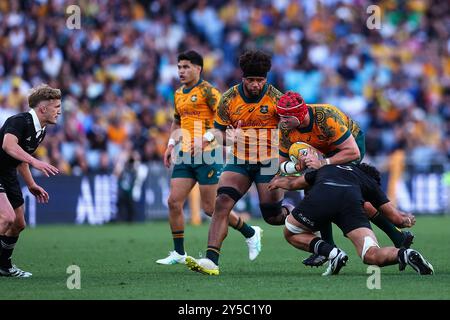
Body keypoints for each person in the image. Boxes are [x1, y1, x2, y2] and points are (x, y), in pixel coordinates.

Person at [186, 50, 292, 276]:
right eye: (250, 80)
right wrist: (216, 139)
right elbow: (219, 131)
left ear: (266, 79)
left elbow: (288, 130)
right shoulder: (229, 98)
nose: (255, 85)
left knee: (272, 217)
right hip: (240, 160)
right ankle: (211, 260)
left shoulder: (276, 98)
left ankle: (297, 213)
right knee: (221, 203)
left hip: (268, 160)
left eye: (260, 80)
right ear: (242, 78)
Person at [276, 91, 412, 267]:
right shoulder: (286, 129)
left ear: (301, 115)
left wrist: (323, 162)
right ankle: (397, 236)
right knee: (321, 190)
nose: (282, 121)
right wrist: (297, 167)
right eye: (281, 116)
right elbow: (281, 164)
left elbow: (353, 151)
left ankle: (329, 248)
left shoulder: (325, 116)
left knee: (333, 191)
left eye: (287, 117)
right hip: (324, 153)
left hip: (350, 146)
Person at [157, 50, 260, 265]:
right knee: (173, 201)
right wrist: (170, 144)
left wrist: (205, 139)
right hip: (185, 154)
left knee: (211, 209)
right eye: (179, 67)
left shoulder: (210, 92)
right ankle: (179, 252)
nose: (181, 71)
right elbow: (177, 122)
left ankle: (250, 232)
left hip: (208, 153)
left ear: (198, 68)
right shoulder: (178, 94)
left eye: (186, 67)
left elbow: (223, 120)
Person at [268, 163, 433, 276]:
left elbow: (296, 183)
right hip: (350, 204)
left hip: (322, 197)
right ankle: (405, 254)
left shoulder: (328, 167)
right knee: (370, 254)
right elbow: (397, 219)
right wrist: (407, 220)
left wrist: (277, 182)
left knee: (291, 230)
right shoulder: (369, 183)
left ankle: (332, 252)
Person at [0, 84, 60, 277]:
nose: (59, 111)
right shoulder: (19, 121)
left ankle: (4, 267)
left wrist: (31, 184)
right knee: (6, 218)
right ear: (43, 109)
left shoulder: (40, 130)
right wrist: (35, 161)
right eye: (56, 107)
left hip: (7, 173)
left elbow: (20, 159)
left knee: (18, 223)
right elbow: (9, 145)